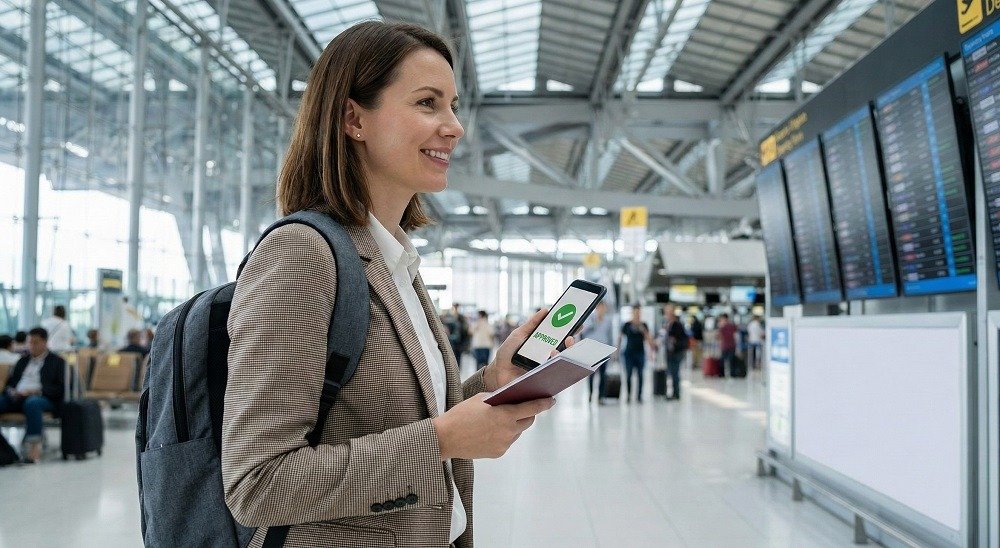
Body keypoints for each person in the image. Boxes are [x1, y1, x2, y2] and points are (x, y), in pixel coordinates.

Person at [222, 22, 561, 546]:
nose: (455, 127)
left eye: (452, 105)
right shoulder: (302, 254)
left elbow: (402, 423)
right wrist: (441, 441)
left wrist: (491, 387)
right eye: (428, 103)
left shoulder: (394, 260)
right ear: (353, 118)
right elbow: (257, 484)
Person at [0, 327, 66, 463]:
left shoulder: (57, 362)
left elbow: (59, 388)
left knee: (32, 403)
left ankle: (34, 447)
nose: (31, 346)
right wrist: (12, 391)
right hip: (18, 396)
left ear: (45, 342)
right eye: (29, 342)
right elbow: (10, 384)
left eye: (35, 342)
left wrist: (36, 392)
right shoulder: (22, 361)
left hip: (43, 398)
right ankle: (4, 449)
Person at [618, 305, 656, 403]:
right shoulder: (627, 325)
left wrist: (651, 351)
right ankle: (629, 395)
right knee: (628, 375)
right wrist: (617, 350)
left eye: (638, 313)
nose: (637, 315)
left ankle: (639, 396)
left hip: (640, 353)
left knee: (640, 375)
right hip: (628, 354)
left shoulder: (644, 325)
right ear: (632, 313)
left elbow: (649, 339)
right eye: (635, 313)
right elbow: (620, 337)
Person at [580, 300, 614, 404]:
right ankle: (590, 394)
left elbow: (610, 336)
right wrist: (593, 323)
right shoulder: (590, 319)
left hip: (604, 352)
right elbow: (583, 333)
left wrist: (611, 351)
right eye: (599, 307)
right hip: (592, 352)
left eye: (603, 307)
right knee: (591, 374)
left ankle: (601, 397)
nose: (601, 310)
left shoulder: (608, 321)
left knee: (603, 375)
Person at [661, 305, 688, 400]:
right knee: (672, 373)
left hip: (676, 352)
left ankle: (676, 393)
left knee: (675, 373)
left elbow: (681, 338)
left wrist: (674, 341)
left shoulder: (677, 325)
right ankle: (673, 392)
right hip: (670, 352)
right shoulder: (668, 324)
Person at [717, 313, 737, 378]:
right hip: (729, 345)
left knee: (727, 360)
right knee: (728, 360)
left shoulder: (723, 326)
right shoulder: (731, 325)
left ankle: (723, 374)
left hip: (727, 345)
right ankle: (731, 374)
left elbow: (718, 336)